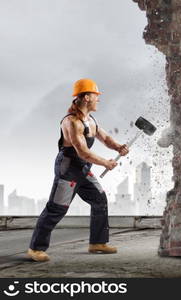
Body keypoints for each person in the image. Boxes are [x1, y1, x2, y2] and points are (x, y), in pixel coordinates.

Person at [27, 78, 129, 262]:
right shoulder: (72, 122)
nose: (99, 99)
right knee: (56, 208)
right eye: (96, 96)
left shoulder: (90, 120)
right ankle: (36, 248)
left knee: (99, 199)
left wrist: (118, 147)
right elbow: (83, 152)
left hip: (83, 169)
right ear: (87, 97)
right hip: (68, 169)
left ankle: (97, 243)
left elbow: (105, 138)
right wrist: (106, 163)